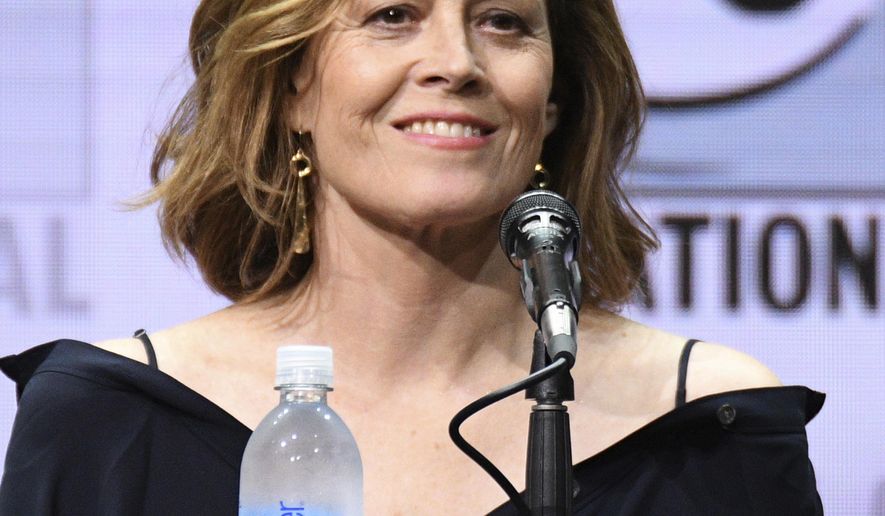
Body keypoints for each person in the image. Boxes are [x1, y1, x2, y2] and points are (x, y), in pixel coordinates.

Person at [0, 0, 824, 514]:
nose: (456, 64)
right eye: (392, 14)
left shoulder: (703, 422)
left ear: (556, 100)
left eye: (502, 21)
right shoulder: (110, 422)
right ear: (292, 85)